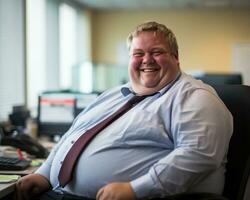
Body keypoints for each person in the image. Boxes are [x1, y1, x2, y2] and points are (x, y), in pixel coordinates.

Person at [15, 21, 233, 200]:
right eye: (138, 53)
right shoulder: (113, 95)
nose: (146, 60)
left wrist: (136, 189)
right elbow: (74, 136)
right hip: (57, 192)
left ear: (176, 57)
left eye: (156, 52)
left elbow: (198, 155)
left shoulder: (195, 97)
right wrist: (44, 173)